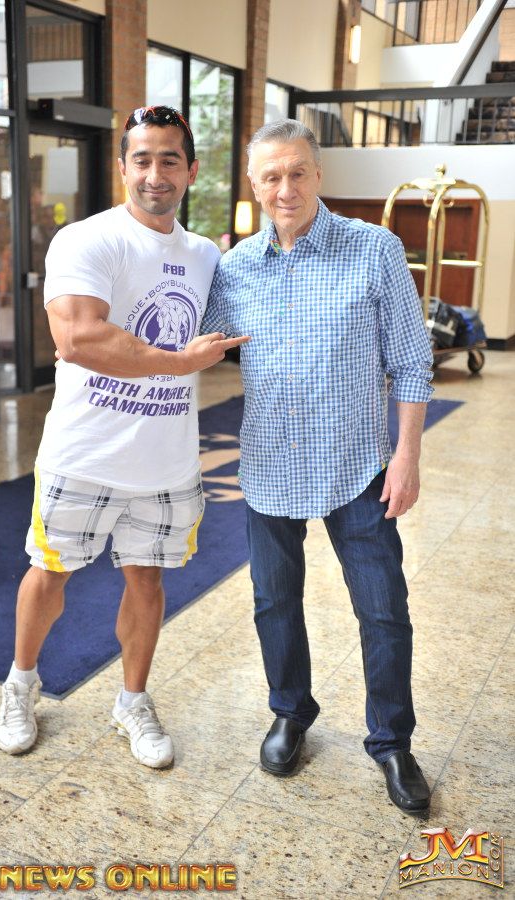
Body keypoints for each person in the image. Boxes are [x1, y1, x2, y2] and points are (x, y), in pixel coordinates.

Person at [0, 106, 247, 768]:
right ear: (122, 167)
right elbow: (78, 338)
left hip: (166, 463)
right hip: (84, 454)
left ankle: (132, 701)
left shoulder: (205, 255)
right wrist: (178, 362)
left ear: (191, 171)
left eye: (169, 160)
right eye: (142, 159)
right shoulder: (87, 240)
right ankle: (20, 684)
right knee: (49, 573)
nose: (154, 173)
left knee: (148, 582)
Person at [201, 119, 433, 811]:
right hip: (269, 464)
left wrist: (407, 457)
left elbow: (411, 362)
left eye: (297, 172)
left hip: (356, 466)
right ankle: (290, 712)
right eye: (271, 176)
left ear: (318, 174)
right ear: (253, 185)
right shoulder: (234, 267)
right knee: (274, 602)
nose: (286, 188)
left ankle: (392, 742)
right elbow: (195, 344)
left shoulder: (374, 249)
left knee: (383, 610)